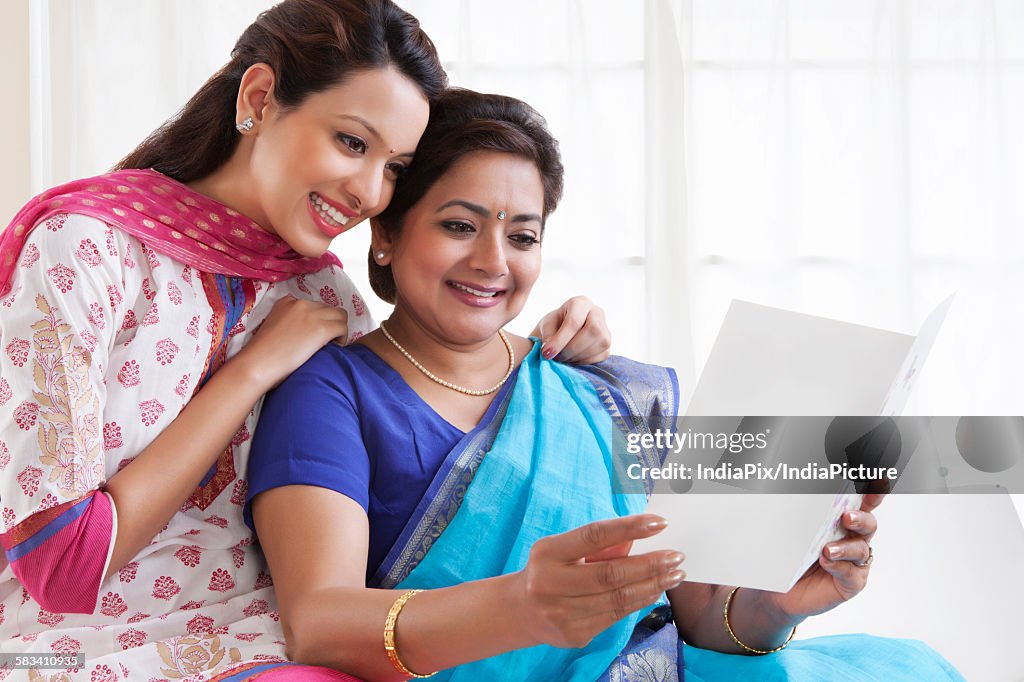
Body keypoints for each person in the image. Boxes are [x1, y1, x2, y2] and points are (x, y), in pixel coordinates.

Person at [246, 88, 965, 681]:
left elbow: (691, 612)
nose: (494, 261)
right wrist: (522, 606)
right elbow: (320, 622)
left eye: (523, 236)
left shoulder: (597, 390)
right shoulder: (329, 392)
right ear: (387, 234)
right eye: (460, 225)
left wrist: (779, 604)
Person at [0, 2, 611, 679]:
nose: (370, 193)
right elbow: (62, 567)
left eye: (396, 168)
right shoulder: (84, 252)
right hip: (73, 646)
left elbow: (416, 448)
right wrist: (251, 371)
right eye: (353, 143)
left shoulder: (325, 298)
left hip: (278, 642)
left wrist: (550, 349)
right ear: (260, 98)